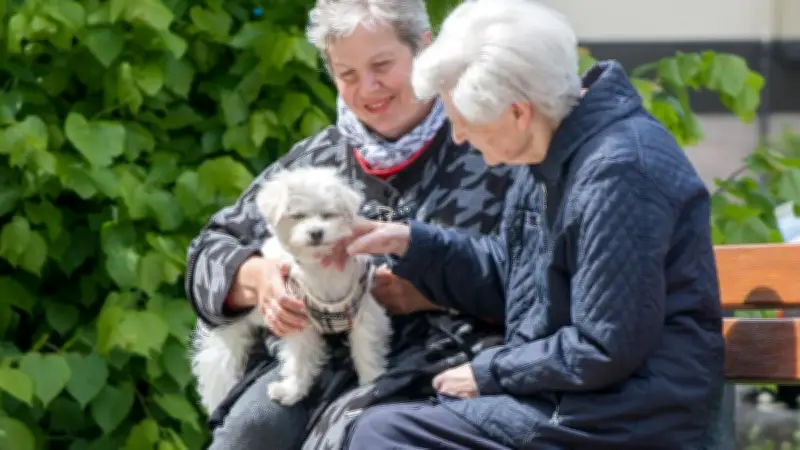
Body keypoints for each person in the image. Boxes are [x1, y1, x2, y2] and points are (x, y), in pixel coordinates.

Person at [331, 0, 726, 448]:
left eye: (465, 123)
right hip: (577, 399)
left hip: (629, 415)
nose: (458, 137)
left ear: (517, 112)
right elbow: (513, 277)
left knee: (385, 435)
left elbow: (604, 346)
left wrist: (488, 372)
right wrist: (413, 244)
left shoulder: (619, 171)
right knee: (381, 425)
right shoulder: (548, 154)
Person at [184, 1, 516, 449]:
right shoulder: (318, 159)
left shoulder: (487, 146)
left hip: (449, 367)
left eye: (382, 65)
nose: (368, 88)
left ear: (425, 49)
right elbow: (209, 248)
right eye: (347, 74)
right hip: (317, 365)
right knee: (249, 429)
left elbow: (545, 273)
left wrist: (434, 288)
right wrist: (259, 279)